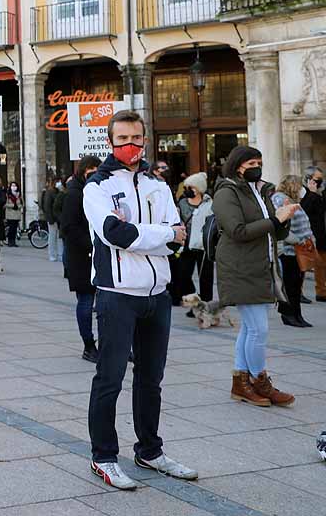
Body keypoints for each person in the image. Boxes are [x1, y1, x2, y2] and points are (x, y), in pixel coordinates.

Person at [83, 110, 197, 490]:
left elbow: (178, 236)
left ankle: (150, 449)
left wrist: (153, 234)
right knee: (109, 379)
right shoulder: (96, 188)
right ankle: (103, 456)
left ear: (145, 139)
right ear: (110, 142)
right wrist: (160, 234)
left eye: (137, 137)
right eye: (123, 139)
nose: (131, 145)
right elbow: (116, 233)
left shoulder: (157, 185)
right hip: (117, 295)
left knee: (151, 379)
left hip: (157, 296)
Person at [214, 145, 297, 408]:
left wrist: (284, 218)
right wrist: (274, 221)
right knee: (258, 329)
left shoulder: (260, 190)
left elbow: (275, 231)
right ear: (237, 165)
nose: (257, 167)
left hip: (261, 266)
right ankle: (259, 380)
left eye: (259, 162)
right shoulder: (226, 192)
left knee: (250, 328)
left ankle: (241, 383)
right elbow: (237, 230)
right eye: (251, 163)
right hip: (240, 267)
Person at [59, 156, 102, 362]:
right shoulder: (74, 194)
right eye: (91, 170)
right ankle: (89, 345)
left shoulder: (97, 191)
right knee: (86, 301)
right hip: (80, 257)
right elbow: (68, 227)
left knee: (106, 303)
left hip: (97, 255)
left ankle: (109, 344)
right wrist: (91, 243)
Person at [273, 175, 314, 328]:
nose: (301, 189)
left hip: (298, 249)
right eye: (299, 185)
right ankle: (289, 314)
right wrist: (297, 240)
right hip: (289, 250)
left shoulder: (291, 200)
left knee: (296, 284)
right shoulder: (280, 199)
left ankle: (297, 314)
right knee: (290, 284)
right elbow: (280, 225)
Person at [171, 173, 214, 310]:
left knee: (206, 278)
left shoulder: (209, 204)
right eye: (187, 187)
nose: (188, 190)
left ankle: (205, 305)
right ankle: (193, 302)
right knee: (183, 275)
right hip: (186, 245)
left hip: (203, 246)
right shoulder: (182, 203)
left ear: (200, 188)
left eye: (192, 187)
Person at [301, 166, 326, 303]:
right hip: (308, 234)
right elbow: (304, 210)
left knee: (321, 265)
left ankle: (321, 292)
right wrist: (312, 194)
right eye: (317, 179)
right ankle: (298, 292)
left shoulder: (321, 192)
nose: (320, 182)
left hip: (321, 234)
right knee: (304, 264)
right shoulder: (304, 192)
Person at [42, 175, 62, 262]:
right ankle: (52, 254)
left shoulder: (58, 191)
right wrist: (50, 218)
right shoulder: (49, 192)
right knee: (52, 236)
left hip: (59, 218)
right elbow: (47, 206)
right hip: (53, 218)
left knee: (60, 237)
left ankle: (60, 254)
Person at [5, 182, 23, 247]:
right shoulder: (8, 195)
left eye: (15, 186)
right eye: (12, 186)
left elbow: (21, 204)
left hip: (17, 214)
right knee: (11, 229)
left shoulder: (19, 195)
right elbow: (5, 204)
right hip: (10, 214)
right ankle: (10, 241)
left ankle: (13, 242)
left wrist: (18, 206)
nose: (14, 187)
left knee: (15, 229)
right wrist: (13, 205)